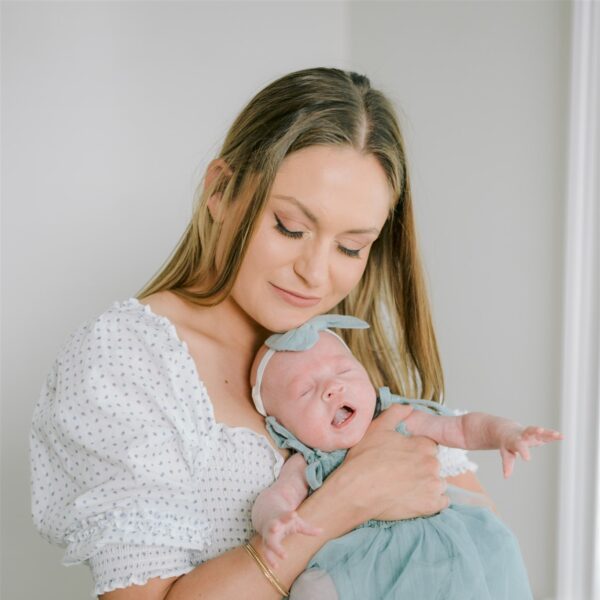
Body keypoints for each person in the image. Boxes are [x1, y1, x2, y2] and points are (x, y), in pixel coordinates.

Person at [32, 67, 499, 599]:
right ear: (221, 191)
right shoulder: (128, 357)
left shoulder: (352, 354)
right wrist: (347, 500)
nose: (317, 274)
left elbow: (482, 548)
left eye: (351, 247)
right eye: (290, 228)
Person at [249, 314, 562, 599]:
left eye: (344, 371)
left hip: (442, 540)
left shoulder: (399, 418)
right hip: (364, 566)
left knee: (497, 545)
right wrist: (274, 521)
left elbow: (463, 428)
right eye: (305, 390)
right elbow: (273, 499)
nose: (333, 387)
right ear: (281, 427)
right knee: (313, 590)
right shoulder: (306, 462)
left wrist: (506, 433)